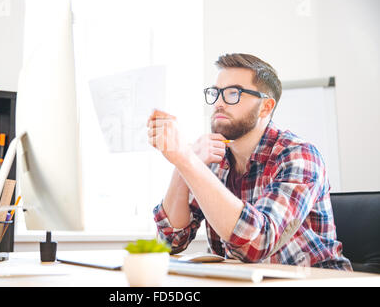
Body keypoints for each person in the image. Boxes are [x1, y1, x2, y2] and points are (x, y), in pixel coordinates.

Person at [147, 53, 352, 270]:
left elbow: (256, 243)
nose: (218, 103)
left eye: (233, 93)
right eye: (215, 93)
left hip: (316, 282)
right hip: (244, 281)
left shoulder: (299, 156)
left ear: (265, 107)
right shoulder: (213, 159)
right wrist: (182, 164)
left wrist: (187, 160)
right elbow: (171, 241)